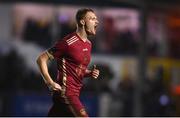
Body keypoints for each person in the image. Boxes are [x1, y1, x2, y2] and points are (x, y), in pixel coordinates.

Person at [36, 8, 100, 117]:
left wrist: (89, 73)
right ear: (82, 22)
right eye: (92, 19)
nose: (96, 21)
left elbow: (76, 69)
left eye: (96, 19)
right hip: (66, 94)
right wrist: (49, 82)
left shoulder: (88, 44)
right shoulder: (68, 42)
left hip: (73, 94)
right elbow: (41, 59)